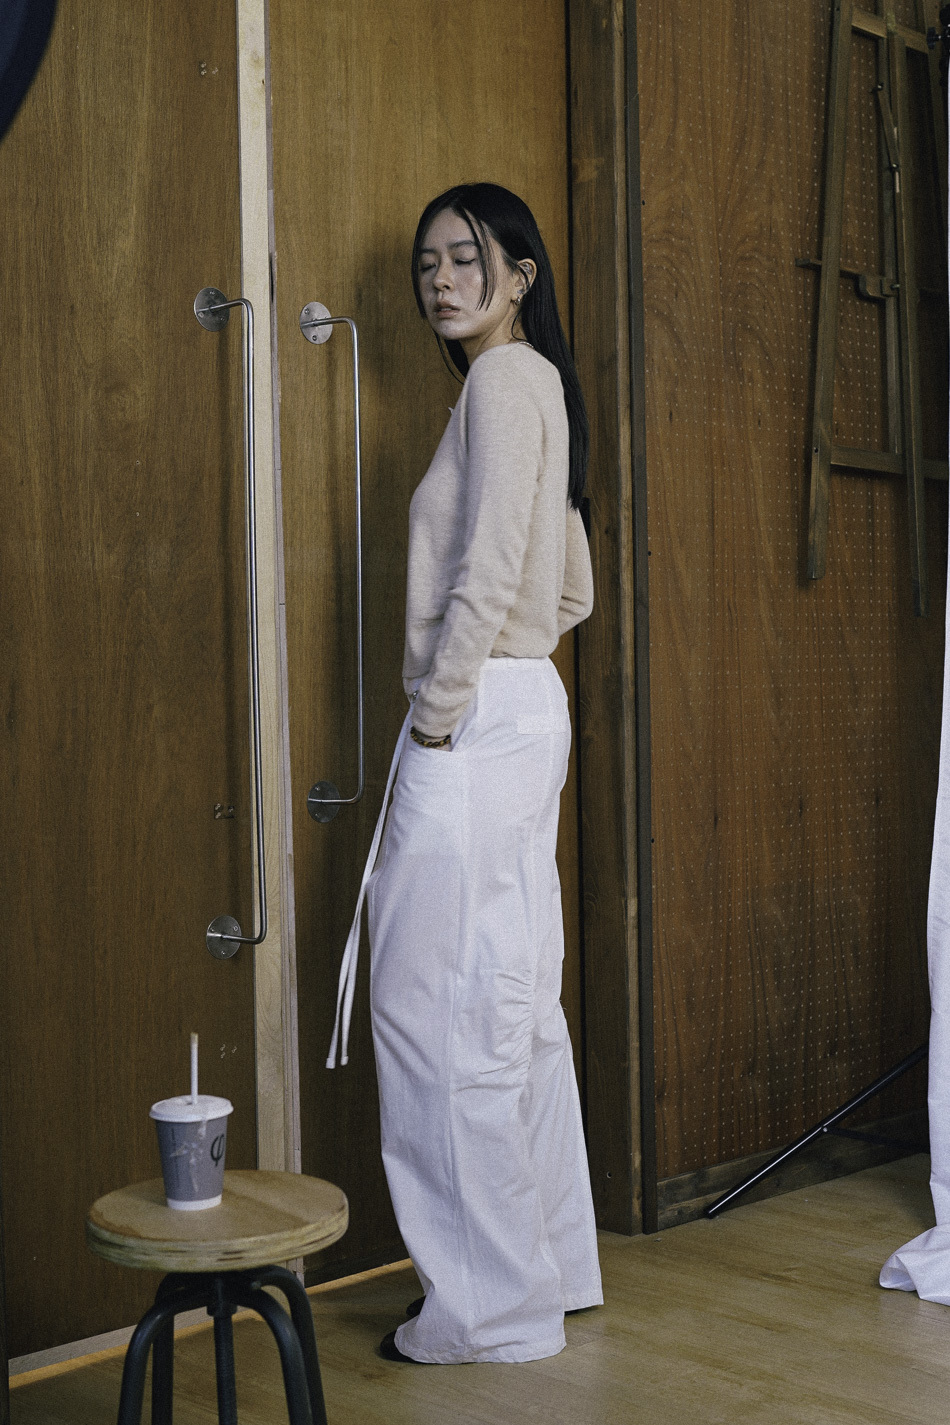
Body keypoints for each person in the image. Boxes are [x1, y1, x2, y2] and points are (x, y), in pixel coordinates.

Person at [328, 182, 602, 1365]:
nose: (438, 280)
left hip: (477, 711)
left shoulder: (499, 383)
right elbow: (571, 586)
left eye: (463, 257)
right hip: (524, 703)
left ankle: (488, 1313)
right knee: (511, 1003)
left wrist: (441, 715)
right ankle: (548, 1271)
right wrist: (506, 679)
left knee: (434, 1012)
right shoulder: (539, 386)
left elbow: (492, 563)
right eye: (424, 265)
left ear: (519, 274)